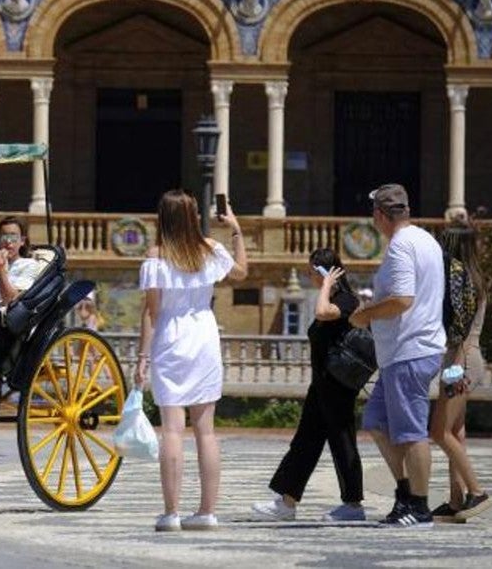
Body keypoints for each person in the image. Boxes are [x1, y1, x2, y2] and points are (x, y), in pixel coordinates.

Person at [136, 189, 248, 532]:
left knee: (171, 428)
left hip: (171, 336)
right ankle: (206, 512)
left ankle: (171, 514)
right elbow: (242, 272)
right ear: (193, 216)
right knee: (206, 431)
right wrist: (236, 228)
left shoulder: (155, 257)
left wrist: (141, 356)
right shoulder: (210, 250)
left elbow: (152, 313)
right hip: (204, 334)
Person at [349, 183, 446, 528]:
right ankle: (405, 493)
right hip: (405, 352)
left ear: (379, 214)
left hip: (410, 350)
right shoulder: (425, 240)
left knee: (411, 432)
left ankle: (420, 508)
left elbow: (403, 299)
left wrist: (365, 314)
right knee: (376, 422)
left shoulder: (402, 246)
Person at [251, 247, 366, 523]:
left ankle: (353, 504)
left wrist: (326, 285)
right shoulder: (332, 296)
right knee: (306, 442)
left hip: (338, 386)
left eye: (312, 272)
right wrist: (325, 286)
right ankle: (286, 502)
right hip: (322, 386)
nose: (310, 277)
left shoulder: (348, 300)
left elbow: (324, 312)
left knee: (342, 441)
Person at [429, 220, 492, 522]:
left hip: (459, 362)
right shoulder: (476, 278)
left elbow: (456, 329)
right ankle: (456, 501)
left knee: (439, 431)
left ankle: (476, 491)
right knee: (455, 431)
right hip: (469, 359)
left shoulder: (459, 279)